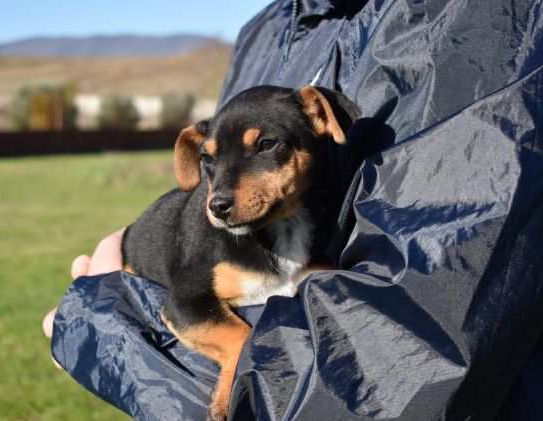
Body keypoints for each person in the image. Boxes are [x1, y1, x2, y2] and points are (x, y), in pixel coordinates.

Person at [44, 1, 543, 420]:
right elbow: (184, 304)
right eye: (213, 164)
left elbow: (403, 362)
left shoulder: (484, 22)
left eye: (268, 149)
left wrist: (102, 322)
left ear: (324, 120)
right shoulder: (267, 29)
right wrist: (103, 310)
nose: (220, 195)